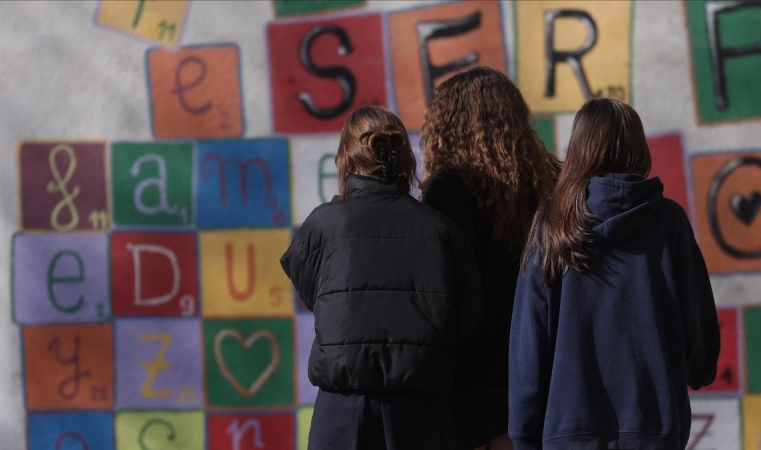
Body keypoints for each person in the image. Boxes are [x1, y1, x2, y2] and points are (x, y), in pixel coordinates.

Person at [509, 98, 720, 450]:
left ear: (579, 149)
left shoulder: (553, 225)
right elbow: (696, 331)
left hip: (568, 433)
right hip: (655, 429)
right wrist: (696, 370)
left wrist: (523, 434)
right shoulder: (669, 222)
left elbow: (529, 344)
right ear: (638, 148)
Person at [281, 105, 483, 450]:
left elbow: (313, 293)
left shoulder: (323, 225)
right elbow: (467, 315)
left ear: (346, 159)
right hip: (423, 412)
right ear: (404, 160)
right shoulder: (440, 230)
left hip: (341, 412)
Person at [420, 66, 561, 450]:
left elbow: (443, 296)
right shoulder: (554, 182)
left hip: (470, 386)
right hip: (544, 374)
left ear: (446, 126)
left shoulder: (446, 191)